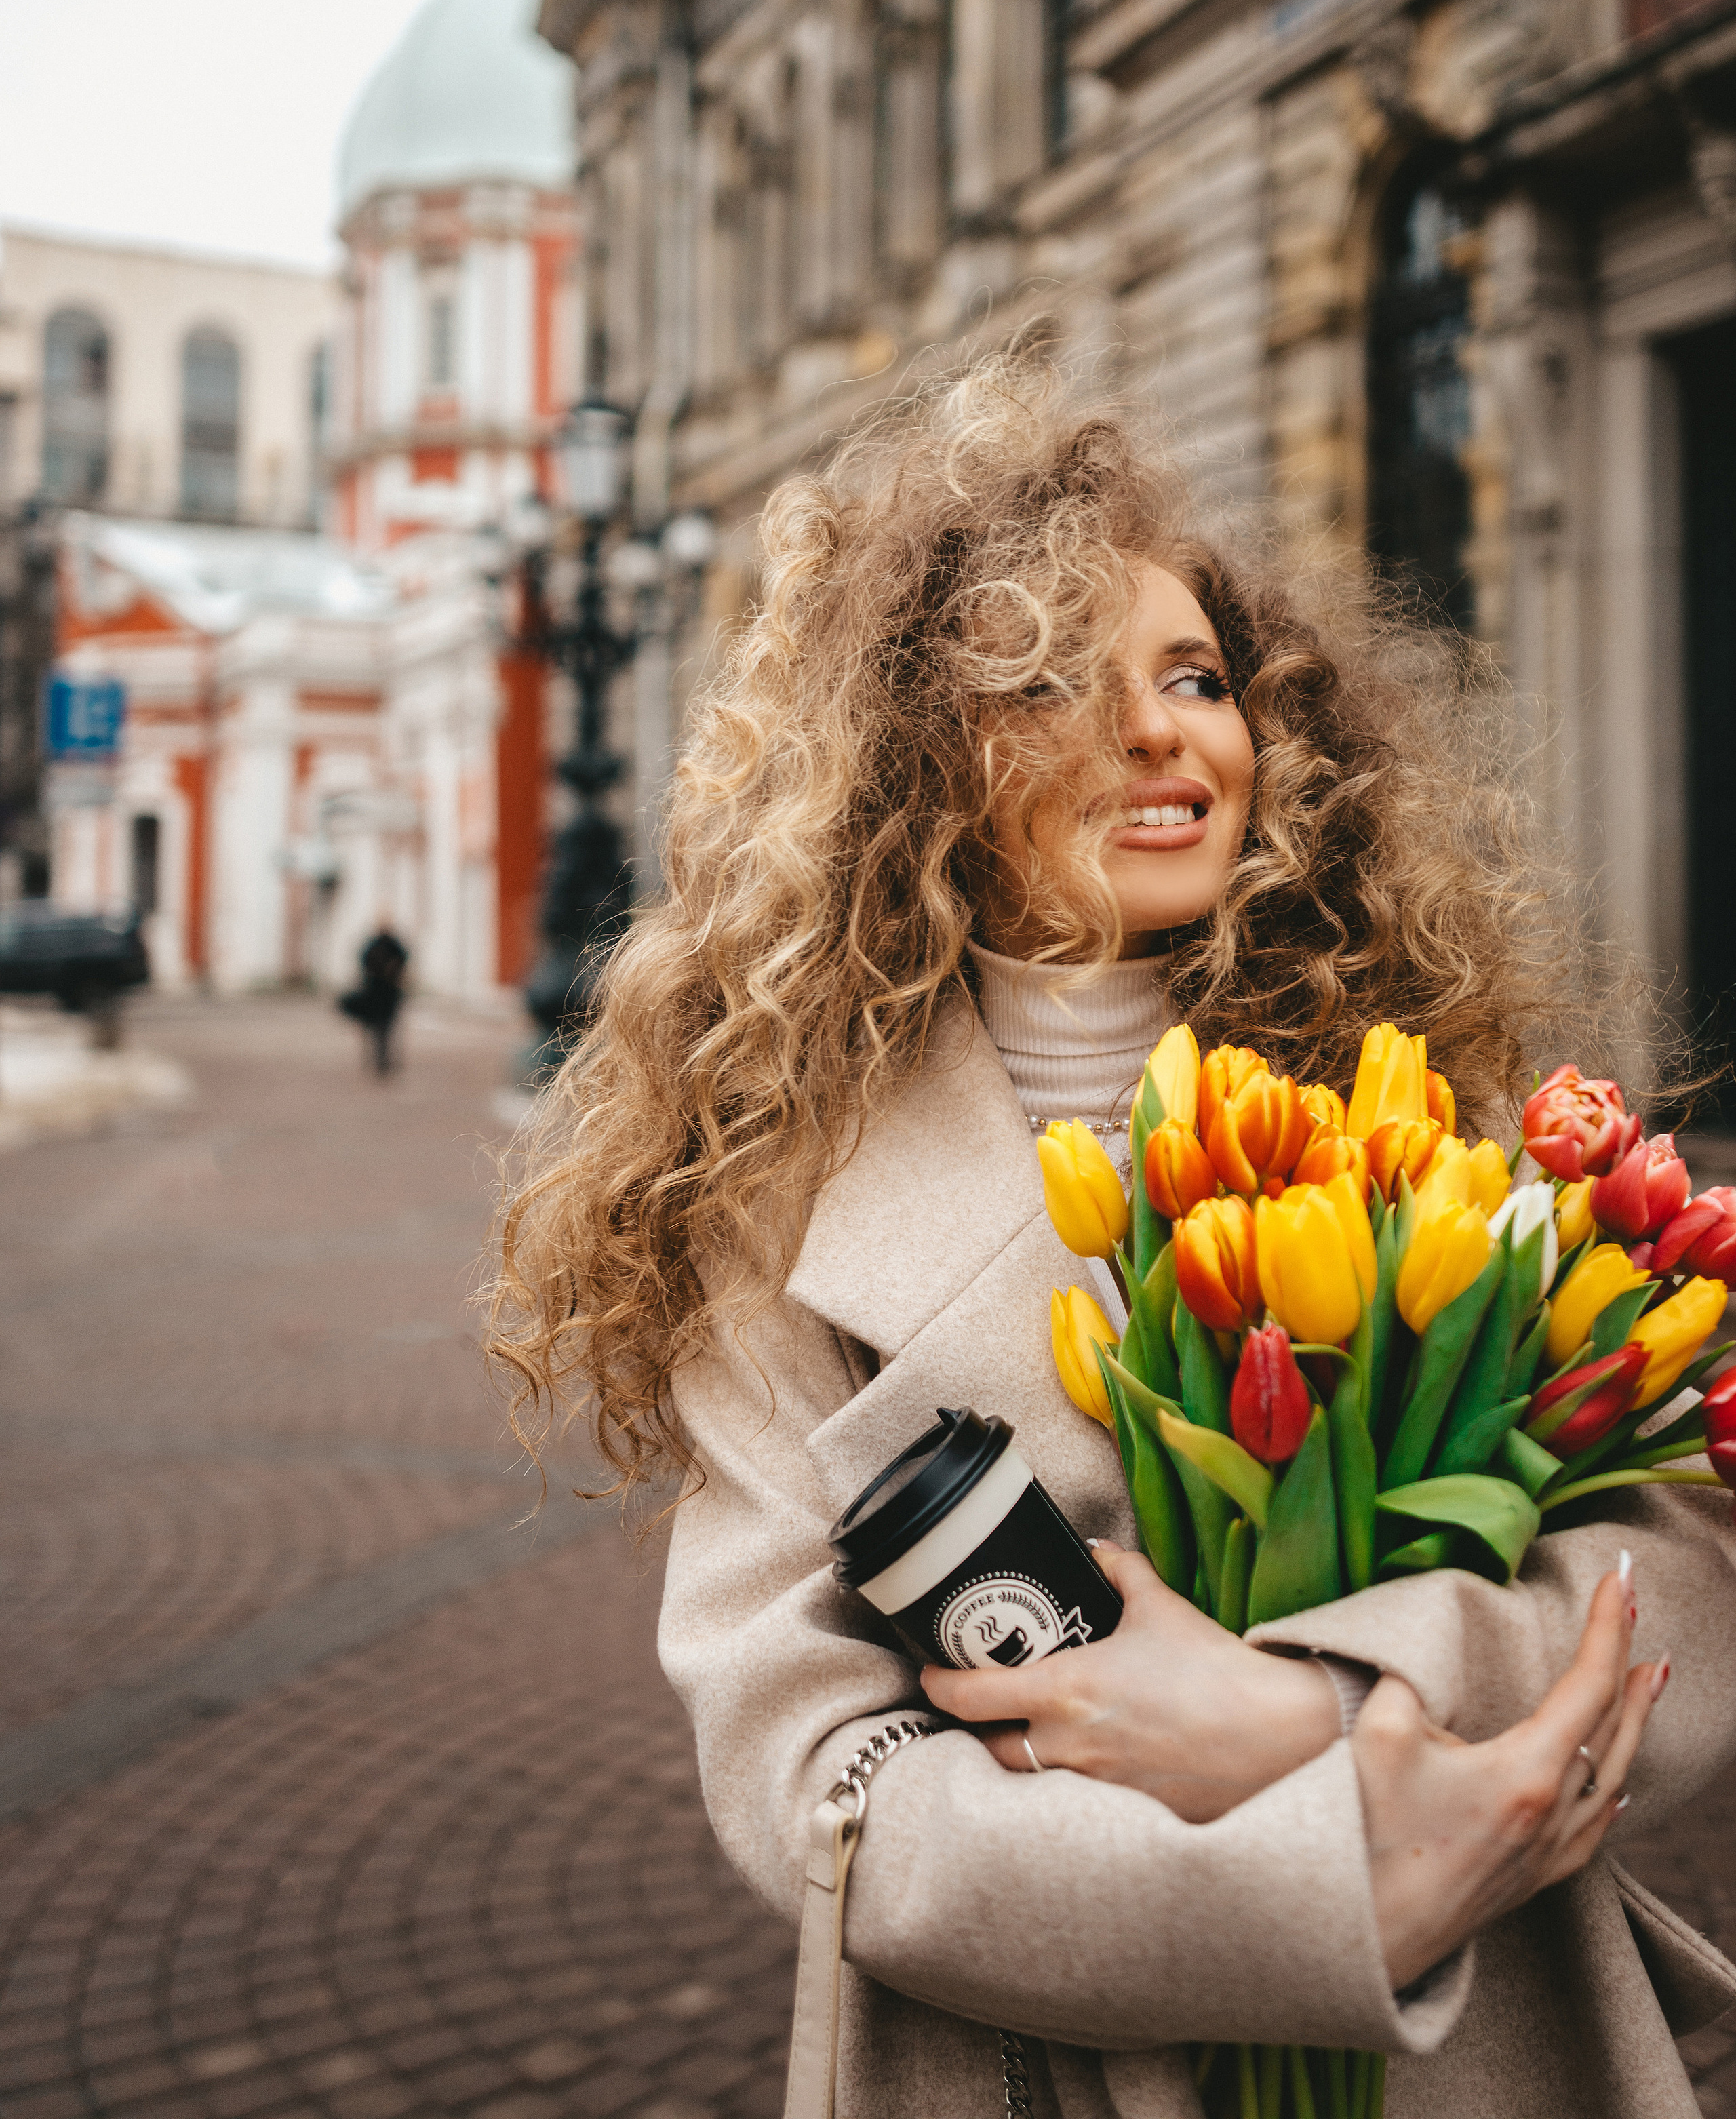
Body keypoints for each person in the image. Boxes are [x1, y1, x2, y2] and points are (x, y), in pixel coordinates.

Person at [488, 369, 1736, 2117]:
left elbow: (1671, 1555)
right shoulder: (773, 1197)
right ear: (923, 763)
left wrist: (1312, 1721)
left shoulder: (1417, 1099)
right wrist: (1322, 1894)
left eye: (1195, 678)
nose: (1162, 733)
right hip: (1043, 2054)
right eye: (1059, 685)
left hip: (1486, 2034)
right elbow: (807, 1768)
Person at [340, 922, 409, 1076]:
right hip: (377, 994)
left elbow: (402, 963)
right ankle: (376, 1059)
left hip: (386, 995)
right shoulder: (377, 946)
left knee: (382, 1030)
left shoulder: (391, 946)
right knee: (377, 1030)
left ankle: (381, 1060)